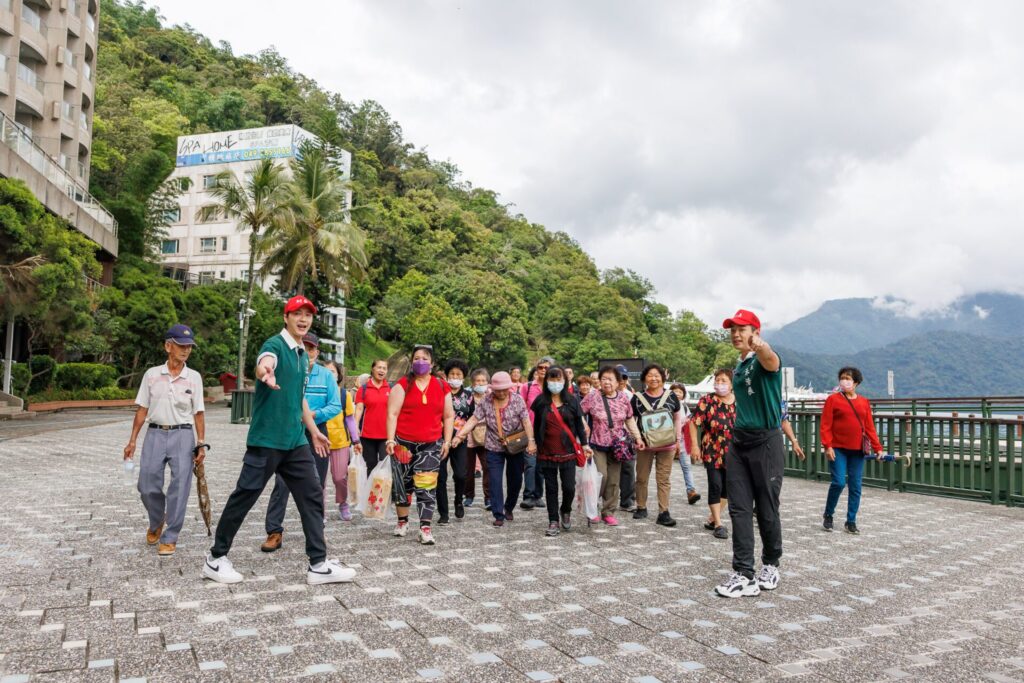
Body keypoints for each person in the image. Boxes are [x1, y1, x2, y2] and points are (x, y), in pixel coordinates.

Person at [204, 295, 354, 585]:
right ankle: (216, 558)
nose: (303, 319)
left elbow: (298, 400)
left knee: (311, 496)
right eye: (297, 313)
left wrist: (313, 430)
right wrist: (265, 371)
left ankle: (319, 564)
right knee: (245, 495)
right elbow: (264, 362)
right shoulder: (275, 345)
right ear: (286, 317)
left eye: (308, 315)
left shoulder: (301, 355)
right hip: (267, 440)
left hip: (295, 441)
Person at [714, 309, 785, 599]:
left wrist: (762, 346)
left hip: (766, 443)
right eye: (732, 329)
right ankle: (744, 573)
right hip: (739, 443)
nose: (735, 334)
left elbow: (772, 360)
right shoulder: (740, 365)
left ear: (755, 331)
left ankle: (771, 564)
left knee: (766, 508)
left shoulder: (762, 360)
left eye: (741, 329)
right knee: (739, 509)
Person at [123, 324, 207, 557]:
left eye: (189, 346)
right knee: (146, 484)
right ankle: (157, 519)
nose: (186, 350)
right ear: (168, 346)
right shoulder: (151, 375)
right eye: (181, 345)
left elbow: (198, 412)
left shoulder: (194, 378)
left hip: (183, 434)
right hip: (155, 432)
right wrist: (132, 441)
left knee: (180, 486)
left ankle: (170, 536)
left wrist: (200, 442)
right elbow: (141, 409)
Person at [262, 332, 342, 551]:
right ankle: (274, 531)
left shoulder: (326, 376)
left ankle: (317, 532)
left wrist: (313, 416)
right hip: (289, 432)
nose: (308, 352)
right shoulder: (287, 370)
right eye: (303, 347)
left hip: (316, 432)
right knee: (282, 484)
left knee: (316, 485)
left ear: (316, 351)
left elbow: (335, 405)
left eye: (312, 348)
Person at [385, 345, 455, 545]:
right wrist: (390, 439)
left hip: (431, 444)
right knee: (403, 486)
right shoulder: (402, 385)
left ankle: (425, 528)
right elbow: (392, 414)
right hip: (403, 444)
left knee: (426, 486)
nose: (420, 362)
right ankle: (402, 521)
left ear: (432, 364)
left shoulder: (442, 386)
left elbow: (449, 415)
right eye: (417, 358)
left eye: (425, 358)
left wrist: (447, 441)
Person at [453, 371, 535, 527]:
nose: (502, 392)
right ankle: (498, 513)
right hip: (493, 446)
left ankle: (509, 507)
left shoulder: (517, 400)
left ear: (509, 387)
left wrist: (531, 441)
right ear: (493, 389)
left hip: (515, 446)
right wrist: (460, 436)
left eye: (505, 389)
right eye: (498, 389)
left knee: (516, 480)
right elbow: (473, 420)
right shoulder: (486, 401)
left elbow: (526, 422)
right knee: (495, 480)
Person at [821, 367, 884, 534]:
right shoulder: (832, 400)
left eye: (848, 378)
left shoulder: (864, 402)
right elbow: (825, 425)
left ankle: (851, 521)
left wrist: (878, 448)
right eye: (842, 378)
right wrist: (827, 445)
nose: (844, 381)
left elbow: (869, 427)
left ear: (856, 382)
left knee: (855, 486)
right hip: (838, 449)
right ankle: (828, 514)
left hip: (858, 450)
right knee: (839, 482)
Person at [531, 366, 591, 536]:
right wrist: (534, 442)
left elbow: (579, 425)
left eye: (558, 379)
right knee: (550, 488)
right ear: (546, 381)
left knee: (569, 487)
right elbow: (536, 426)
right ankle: (553, 521)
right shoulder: (541, 401)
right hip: (547, 451)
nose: (555, 383)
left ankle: (565, 510)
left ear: (564, 381)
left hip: (568, 451)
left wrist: (585, 444)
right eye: (552, 379)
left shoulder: (572, 400)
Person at [580, 366, 643, 526]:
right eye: (604, 379)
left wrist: (638, 438)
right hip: (597, 444)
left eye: (610, 379)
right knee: (601, 477)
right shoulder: (592, 396)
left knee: (614, 480)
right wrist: (584, 426)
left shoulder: (623, 398)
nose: (607, 382)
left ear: (617, 382)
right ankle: (592, 508)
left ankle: (608, 512)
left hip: (618, 445)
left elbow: (629, 419)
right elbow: (578, 412)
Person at [630, 364, 681, 527]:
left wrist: (678, 439)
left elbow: (677, 418)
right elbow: (630, 420)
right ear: (644, 378)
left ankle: (664, 512)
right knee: (642, 477)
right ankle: (641, 506)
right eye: (650, 375)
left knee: (664, 479)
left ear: (663, 377)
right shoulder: (637, 398)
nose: (654, 378)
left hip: (667, 444)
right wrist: (636, 438)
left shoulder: (672, 396)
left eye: (657, 375)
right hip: (645, 445)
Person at [690, 370, 736, 540]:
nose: (719, 384)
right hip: (712, 449)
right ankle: (718, 523)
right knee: (715, 484)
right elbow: (694, 423)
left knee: (727, 487)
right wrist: (695, 445)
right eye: (717, 380)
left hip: (734, 452)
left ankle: (711, 518)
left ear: (732, 384)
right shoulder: (707, 401)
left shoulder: (739, 402)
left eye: (724, 381)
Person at [437, 358, 473, 524]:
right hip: (439, 439)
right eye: (452, 374)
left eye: (458, 374)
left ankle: (459, 499)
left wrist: (462, 435)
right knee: (440, 477)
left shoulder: (469, 396)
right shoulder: (439, 393)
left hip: (460, 440)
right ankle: (443, 513)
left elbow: (474, 417)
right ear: (446, 375)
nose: (455, 377)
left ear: (463, 377)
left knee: (460, 474)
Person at [323, 361, 360, 521]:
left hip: (340, 441)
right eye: (325, 371)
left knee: (339, 477)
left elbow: (350, 420)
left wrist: (356, 440)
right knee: (319, 480)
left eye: (332, 371)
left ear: (338, 375)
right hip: (319, 441)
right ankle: (319, 509)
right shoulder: (317, 393)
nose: (329, 374)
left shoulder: (344, 394)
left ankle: (342, 503)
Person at [519, 356, 554, 509]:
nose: (543, 371)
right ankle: (528, 496)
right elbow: (520, 408)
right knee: (530, 464)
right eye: (540, 367)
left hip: (547, 432)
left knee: (541, 466)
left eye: (547, 368)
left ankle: (538, 495)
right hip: (530, 431)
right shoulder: (527, 387)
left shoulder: (554, 388)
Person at [354, 359, 390, 474]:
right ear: (373, 369)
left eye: (384, 368)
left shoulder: (391, 389)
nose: (381, 370)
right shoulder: (363, 389)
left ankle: (382, 492)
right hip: (367, 435)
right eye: (379, 367)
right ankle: (369, 491)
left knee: (384, 466)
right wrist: (355, 429)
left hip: (385, 435)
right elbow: (359, 410)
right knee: (371, 465)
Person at [462, 368, 491, 510]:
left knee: (488, 467)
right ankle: (468, 495)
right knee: (468, 468)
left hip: (487, 436)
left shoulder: (491, 396)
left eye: (483, 381)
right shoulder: (467, 397)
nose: (481, 383)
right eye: (478, 381)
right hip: (469, 437)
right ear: (472, 383)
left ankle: (488, 498)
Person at [670, 383, 701, 505]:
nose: (677, 393)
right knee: (665, 468)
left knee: (687, 467)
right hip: (669, 440)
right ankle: (664, 491)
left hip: (683, 441)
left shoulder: (685, 407)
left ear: (683, 395)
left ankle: (691, 491)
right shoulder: (667, 405)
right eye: (675, 391)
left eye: (680, 392)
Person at [616, 364, 638, 512]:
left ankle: (627, 500)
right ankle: (604, 499)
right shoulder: (600, 394)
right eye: (619, 377)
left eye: (624, 377)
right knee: (608, 471)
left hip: (627, 438)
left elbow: (634, 417)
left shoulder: (631, 396)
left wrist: (636, 437)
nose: (622, 380)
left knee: (629, 469)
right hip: (607, 438)